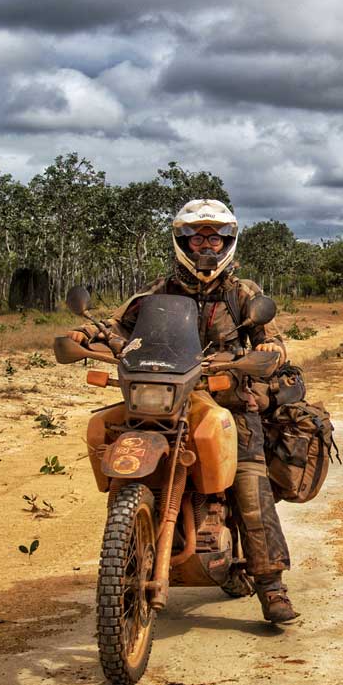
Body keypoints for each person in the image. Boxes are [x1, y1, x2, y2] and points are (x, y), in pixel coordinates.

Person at [67, 199, 299, 623]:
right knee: (112, 435)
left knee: (249, 482)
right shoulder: (156, 292)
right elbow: (117, 326)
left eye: (215, 238)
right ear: (182, 241)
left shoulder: (243, 293)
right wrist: (86, 333)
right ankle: (128, 548)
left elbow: (273, 340)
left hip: (228, 400)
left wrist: (268, 348)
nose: (206, 246)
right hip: (165, 395)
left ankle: (271, 585)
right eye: (197, 237)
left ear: (227, 242)